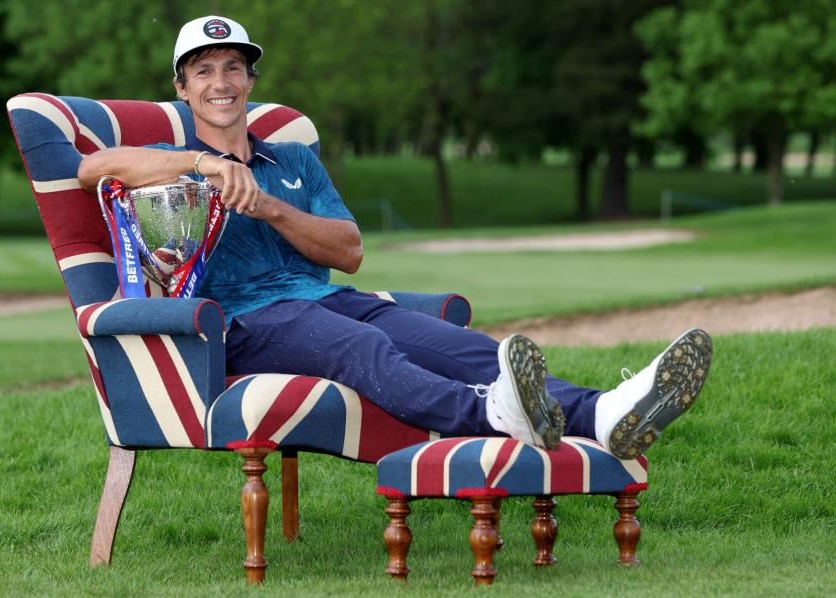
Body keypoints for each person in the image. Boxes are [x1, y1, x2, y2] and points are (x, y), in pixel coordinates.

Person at [77, 15, 713, 460]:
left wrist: (269, 206)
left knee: (469, 350)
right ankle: (491, 416)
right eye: (205, 70)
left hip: (326, 298)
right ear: (182, 87)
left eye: (235, 68)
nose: (222, 82)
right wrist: (206, 166)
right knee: (363, 349)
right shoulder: (166, 157)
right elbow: (91, 168)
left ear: (251, 82)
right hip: (246, 321)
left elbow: (349, 252)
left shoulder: (293, 163)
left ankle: (606, 412)